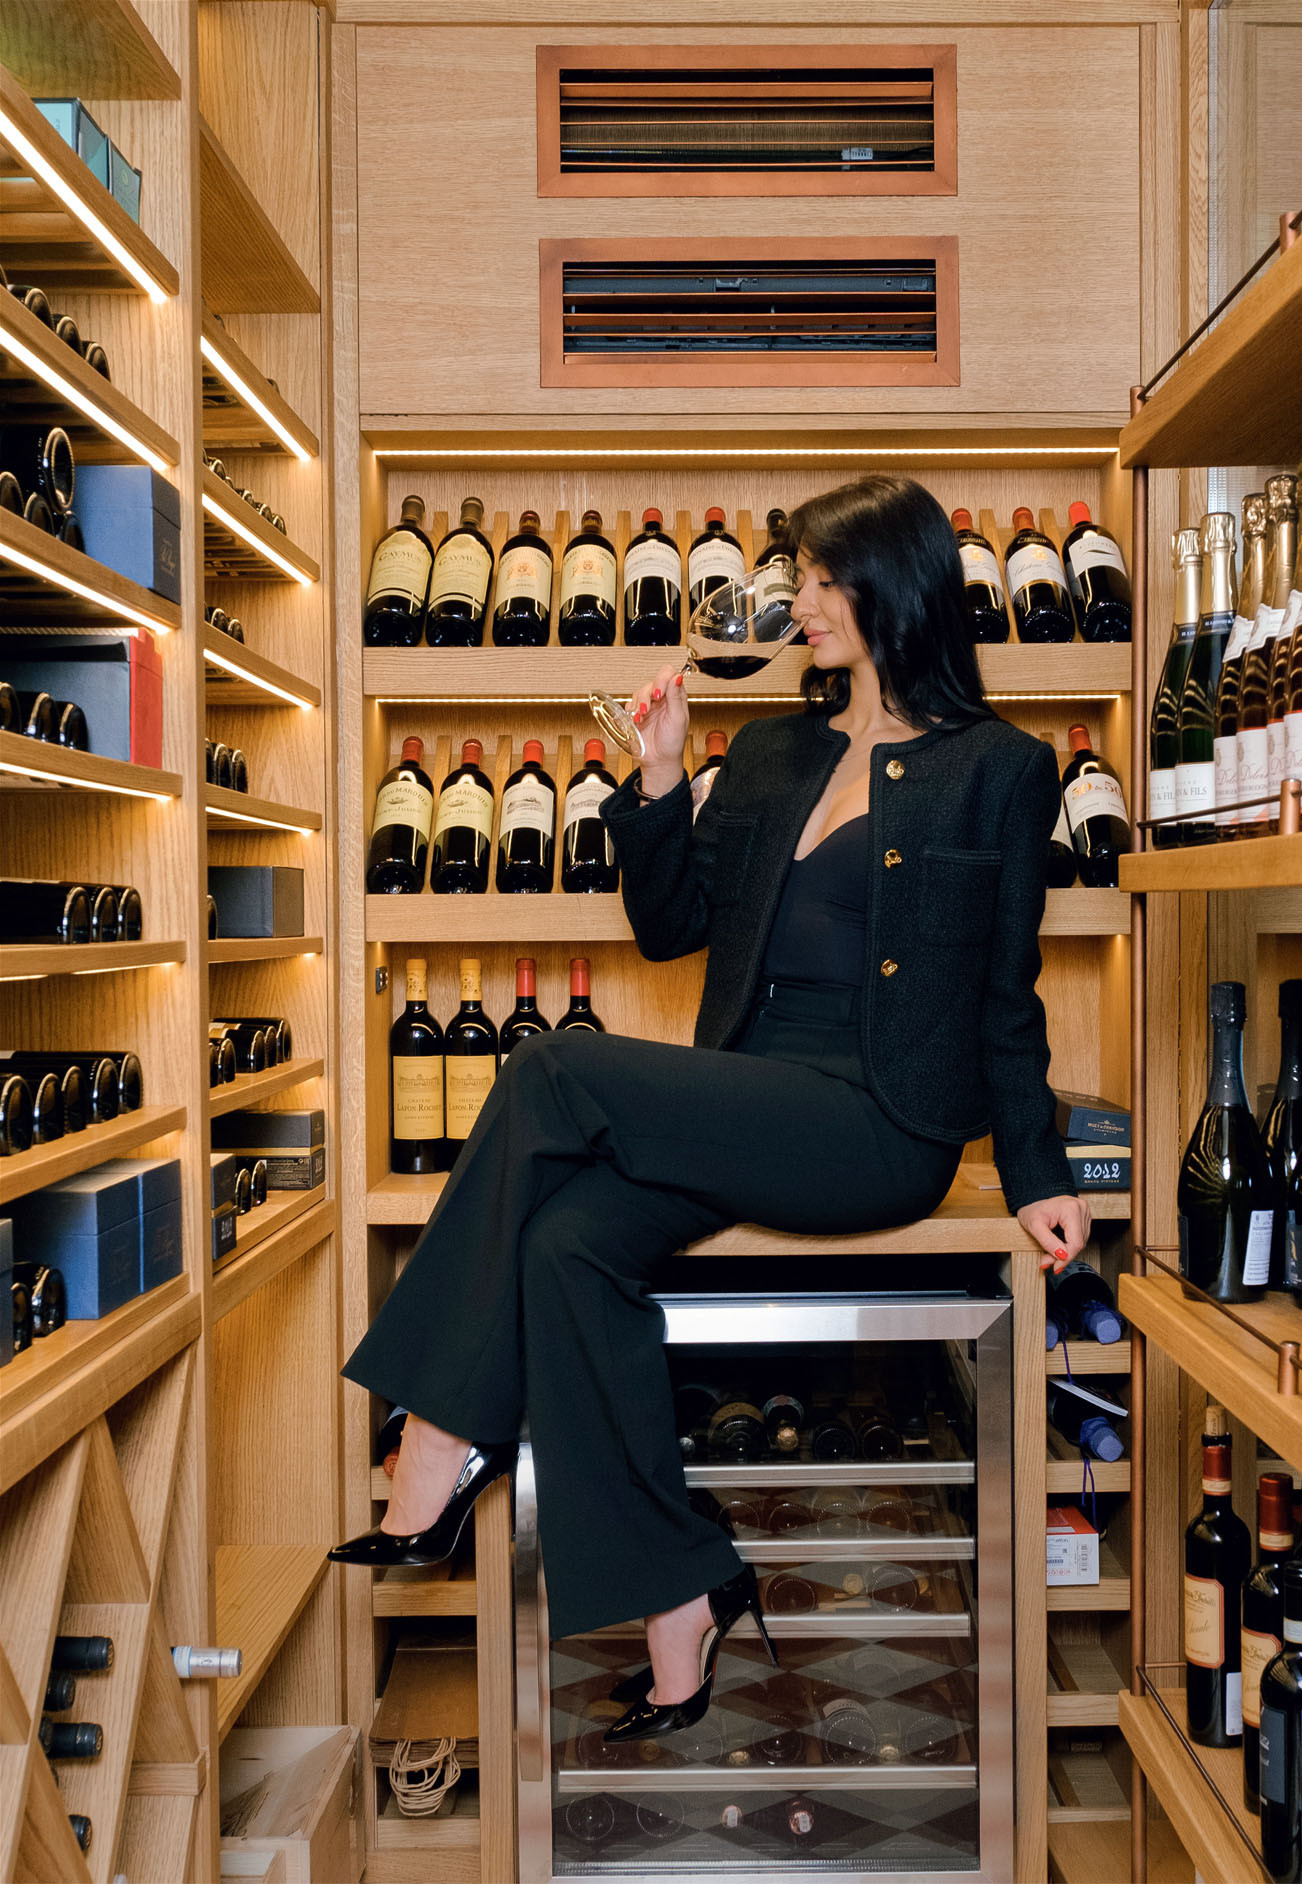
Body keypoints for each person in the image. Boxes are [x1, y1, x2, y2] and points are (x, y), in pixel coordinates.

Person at [328, 474, 1090, 1742]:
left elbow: (1006, 994)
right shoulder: (776, 752)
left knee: (551, 1069)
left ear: (897, 588)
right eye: (802, 579)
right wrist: (663, 774)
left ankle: (439, 1443)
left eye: (826, 580)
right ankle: (682, 1592)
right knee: (565, 1246)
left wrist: (1039, 1169)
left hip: (877, 1125)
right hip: (747, 1093)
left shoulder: (998, 770)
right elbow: (671, 926)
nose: (804, 603)